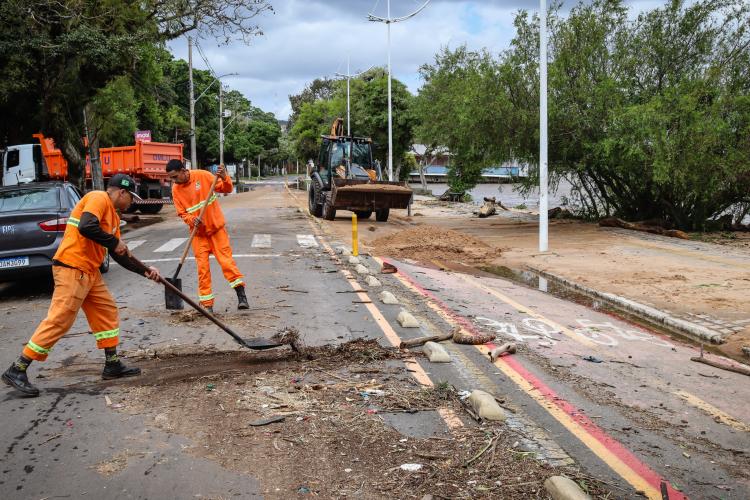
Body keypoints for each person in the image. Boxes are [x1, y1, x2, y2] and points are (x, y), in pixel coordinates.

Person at [2, 174, 161, 397]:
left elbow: (120, 255)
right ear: (121, 192)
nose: (131, 202)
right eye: (130, 197)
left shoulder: (113, 218)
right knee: (60, 319)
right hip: (72, 267)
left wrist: (146, 271)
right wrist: (115, 242)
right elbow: (86, 226)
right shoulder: (98, 198)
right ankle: (18, 368)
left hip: (89, 271)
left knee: (106, 311)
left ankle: (112, 364)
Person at [166, 160, 249, 313]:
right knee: (202, 270)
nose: (174, 181)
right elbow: (182, 213)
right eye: (171, 178)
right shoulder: (176, 190)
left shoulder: (203, 176)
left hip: (216, 230)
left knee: (227, 264)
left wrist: (225, 177)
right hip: (198, 235)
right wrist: (192, 220)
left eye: (175, 177)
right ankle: (207, 305)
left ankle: (242, 297)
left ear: (184, 171)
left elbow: (227, 188)